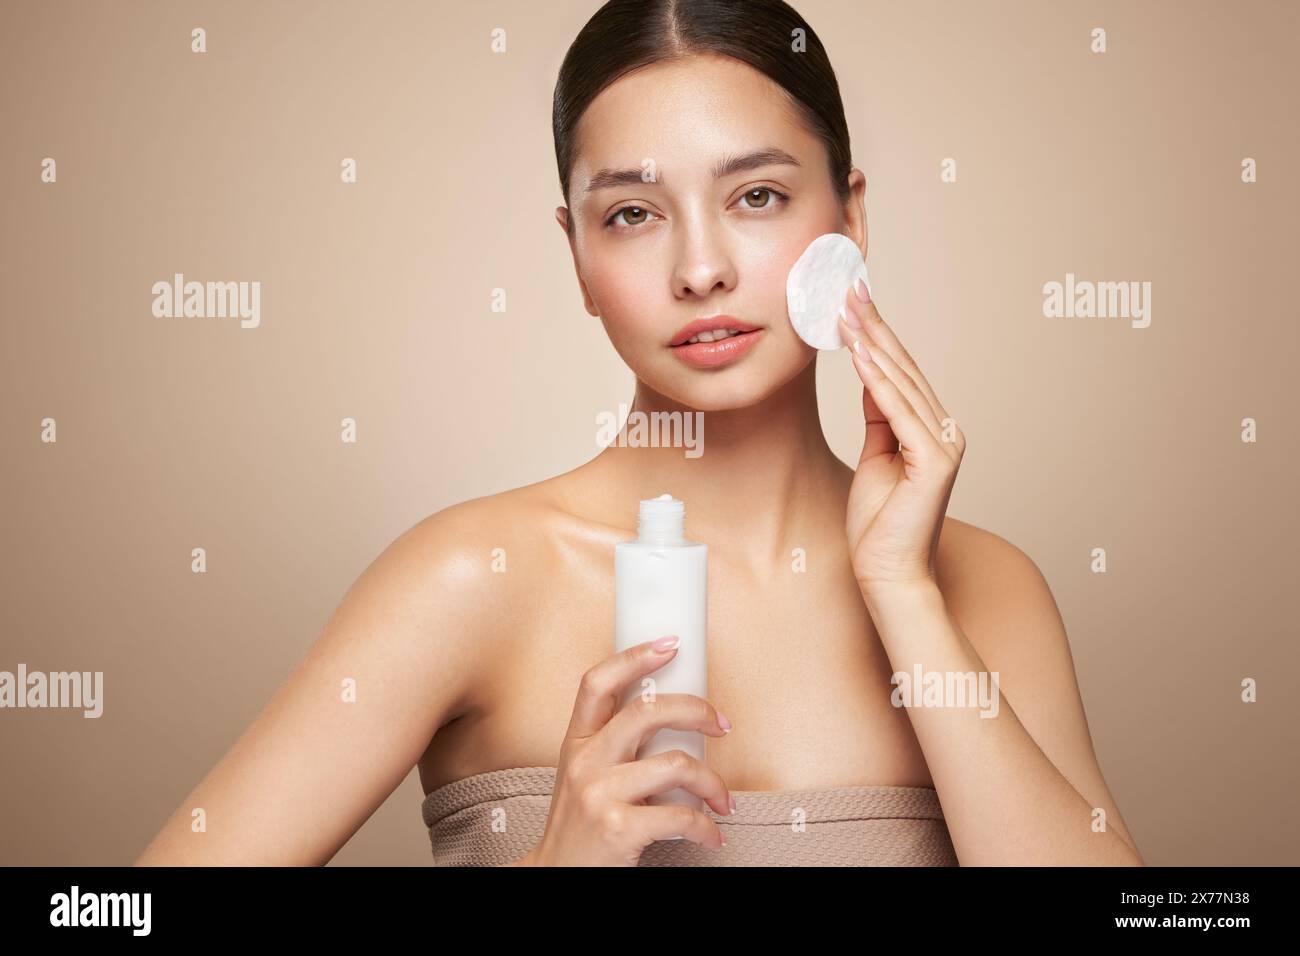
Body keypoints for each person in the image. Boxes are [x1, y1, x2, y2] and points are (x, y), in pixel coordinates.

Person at [137, 0, 1142, 867]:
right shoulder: (470, 576)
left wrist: (900, 589)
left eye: (756, 195)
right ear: (574, 255)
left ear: (850, 218)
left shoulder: (982, 591)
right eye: (631, 214)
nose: (699, 267)